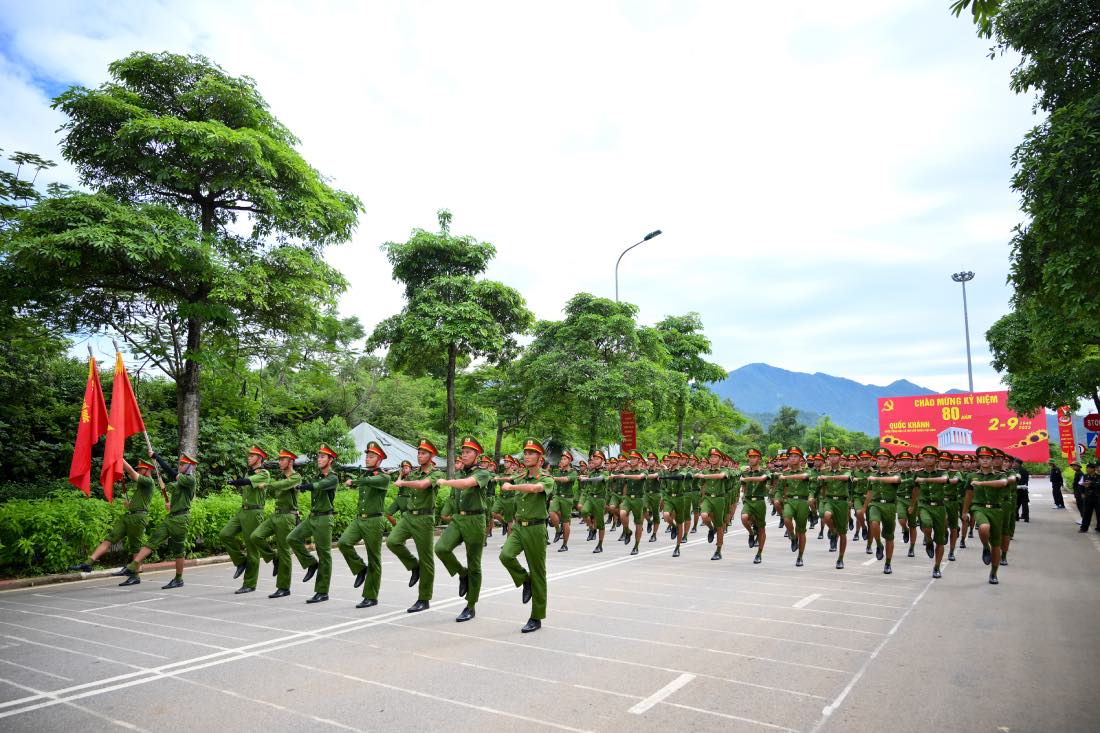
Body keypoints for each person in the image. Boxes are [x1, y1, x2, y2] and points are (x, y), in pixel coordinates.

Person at [119, 451, 199, 588]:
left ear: (189, 466)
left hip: (181, 519)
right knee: (153, 540)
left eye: (182, 464)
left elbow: (171, 472)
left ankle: (178, 578)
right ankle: (132, 567)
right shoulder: (182, 480)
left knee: (178, 551)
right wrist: (171, 505)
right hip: (172, 517)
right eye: (180, 464)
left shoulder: (190, 479)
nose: (179, 466)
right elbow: (181, 496)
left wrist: (157, 457)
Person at [435, 437, 493, 622]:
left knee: (474, 564)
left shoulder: (483, 473)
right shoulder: (460, 474)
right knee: (441, 549)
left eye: (468, 452)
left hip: (476, 520)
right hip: (459, 518)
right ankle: (462, 573)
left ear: (477, 454)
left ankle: (471, 605)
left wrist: (446, 482)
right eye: (463, 451)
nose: (464, 454)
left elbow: (468, 484)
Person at [69, 456, 158, 576]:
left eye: (140, 469)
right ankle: (88, 563)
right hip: (129, 516)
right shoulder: (142, 485)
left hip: (138, 518)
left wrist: (118, 457)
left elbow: (131, 472)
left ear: (147, 470)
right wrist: (130, 505)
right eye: (138, 469)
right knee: (110, 538)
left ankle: (135, 575)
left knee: (135, 548)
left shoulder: (149, 482)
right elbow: (139, 500)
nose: (138, 471)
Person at [499, 438, 553, 633]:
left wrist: (512, 487)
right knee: (505, 556)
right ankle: (525, 579)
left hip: (536, 529)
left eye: (531, 453)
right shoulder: (520, 476)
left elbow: (535, 489)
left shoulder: (546, 478)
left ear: (540, 458)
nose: (527, 456)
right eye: (526, 452)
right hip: (519, 527)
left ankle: (536, 617)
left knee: (538, 571)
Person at [387, 439, 444, 613]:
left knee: (426, 558)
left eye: (423, 453)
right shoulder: (414, 472)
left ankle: (424, 598)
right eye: (418, 453)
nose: (419, 456)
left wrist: (403, 482)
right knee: (392, 542)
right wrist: (400, 476)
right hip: (408, 516)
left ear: (431, 455)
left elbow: (422, 485)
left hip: (424, 518)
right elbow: (405, 478)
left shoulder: (435, 474)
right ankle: (414, 566)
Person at [339, 441, 392, 608]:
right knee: (343, 543)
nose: (367, 459)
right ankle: (361, 568)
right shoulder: (366, 476)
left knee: (374, 558)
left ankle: (371, 596)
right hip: (359, 519)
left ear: (380, 460)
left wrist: (353, 482)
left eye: (371, 456)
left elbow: (371, 481)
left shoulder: (383, 477)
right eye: (367, 456)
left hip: (374, 520)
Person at [288, 444, 340, 603]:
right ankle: (311, 563)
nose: (319, 459)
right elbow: (316, 484)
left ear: (330, 460)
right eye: (318, 456)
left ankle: (322, 592)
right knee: (292, 538)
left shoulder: (333, 477)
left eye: (323, 456)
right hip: (313, 517)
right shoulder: (318, 476)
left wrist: (304, 486)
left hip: (325, 519)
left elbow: (319, 486)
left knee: (324, 555)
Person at [220, 446, 274, 594]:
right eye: (248, 455)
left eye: (252, 456)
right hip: (242, 511)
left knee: (252, 549)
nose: (248, 458)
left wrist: (233, 482)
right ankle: (240, 561)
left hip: (254, 512)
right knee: (225, 534)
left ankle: (249, 584)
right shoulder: (249, 473)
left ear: (259, 458)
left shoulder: (264, 473)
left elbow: (247, 482)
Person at [250, 449, 303, 598]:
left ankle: (284, 587)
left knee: (284, 551)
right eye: (279, 460)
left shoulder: (296, 477)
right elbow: (278, 484)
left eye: (282, 460)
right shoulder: (280, 477)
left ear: (290, 462)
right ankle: (273, 557)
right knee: (256, 536)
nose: (280, 462)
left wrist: (266, 485)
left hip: (288, 517)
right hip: (276, 515)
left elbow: (282, 485)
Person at [961, 445, 1010, 584]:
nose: (985, 461)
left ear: (993, 460)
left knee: (996, 544)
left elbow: (1003, 483)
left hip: (996, 510)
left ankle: (994, 573)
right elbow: (969, 494)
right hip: (979, 507)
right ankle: (985, 547)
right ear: (978, 461)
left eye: (988, 458)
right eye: (982, 458)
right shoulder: (972, 475)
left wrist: (982, 483)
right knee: (983, 528)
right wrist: (964, 511)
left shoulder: (1000, 475)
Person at [739, 448, 770, 564]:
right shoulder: (745, 472)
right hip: (748, 500)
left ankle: (759, 553)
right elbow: (744, 487)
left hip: (759, 501)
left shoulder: (764, 472)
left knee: (762, 528)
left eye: (754, 457)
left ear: (759, 459)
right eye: (750, 457)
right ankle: (752, 533)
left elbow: (762, 479)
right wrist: (744, 497)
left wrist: (746, 479)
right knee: (744, 518)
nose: (751, 459)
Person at [1078, 463, 1100, 533]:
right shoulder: (1084, 476)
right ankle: (1084, 528)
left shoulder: (1098, 477)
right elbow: (1080, 484)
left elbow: (1098, 484)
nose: (1087, 469)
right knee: (1086, 513)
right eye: (1087, 468)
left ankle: (1099, 528)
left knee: (1099, 513)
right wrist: (1082, 493)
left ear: (1093, 469)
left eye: (1089, 468)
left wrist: (1091, 483)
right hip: (1088, 497)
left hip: (1097, 497)